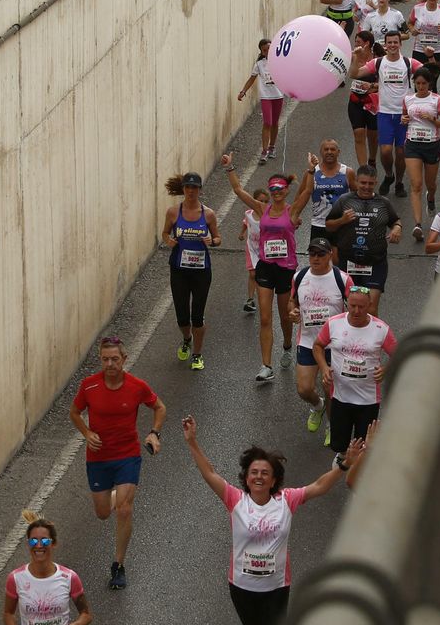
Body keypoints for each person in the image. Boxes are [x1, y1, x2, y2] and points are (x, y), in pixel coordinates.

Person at [180, 415, 344, 625]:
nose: (258, 476)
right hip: (241, 586)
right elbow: (209, 473)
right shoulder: (235, 500)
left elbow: (319, 486)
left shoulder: (286, 500)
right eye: (254, 472)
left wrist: (343, 465)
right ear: (246, 477)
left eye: (264, 473)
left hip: (276, 588)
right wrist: (193, 442)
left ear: (274, 479)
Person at [69, 337, 165, 590]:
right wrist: (87, 433)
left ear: (124, 359)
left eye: (114, 359)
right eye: (105, 359)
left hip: (127, 455)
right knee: (102, 513)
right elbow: (74, 412)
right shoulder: (89, 387)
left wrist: (154, 432)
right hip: (99, 458)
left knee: (124, 509)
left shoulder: (136, 386)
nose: (110, 364)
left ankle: (118, 565)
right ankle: (114, 496)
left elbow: (159, 407)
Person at [223, 155, 308, 381]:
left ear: (287, 190)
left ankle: (288, 347)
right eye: (273, 188)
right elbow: (239, 191)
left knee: (284, 316)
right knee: (264, 318)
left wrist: (311, 171)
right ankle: (266, 366)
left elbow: (307, 193)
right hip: (265, 267)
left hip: (286, 268)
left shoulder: (292, 211)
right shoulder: (262, 209)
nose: (276, 191)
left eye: (280, 188)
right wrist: (229, 166)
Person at [4, 514, 93, 625]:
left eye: (44, 541)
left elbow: (86, 614)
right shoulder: (16, 578)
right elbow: (8, 614)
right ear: (28, 544)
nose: (38, 546)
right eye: (33, 541)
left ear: (53, 544)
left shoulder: (68, 577)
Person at [313, 286, 397, 459]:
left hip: (368, 400)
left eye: (361, 307)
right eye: (352, 306)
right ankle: (338, 476)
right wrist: (323, 368)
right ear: (347, 303)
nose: (356, 311)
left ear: (370, 305)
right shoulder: (334, 323)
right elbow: (318, 345)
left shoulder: (381, 329)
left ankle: (355, 482)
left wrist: (386, 370)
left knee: (363, 450)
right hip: (340, 397)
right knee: (340, 448)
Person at [287, 237, 353, 432]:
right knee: (304, 389)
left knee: (331, 389)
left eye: (320, 254)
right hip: (308, 340)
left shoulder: (342, 279)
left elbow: (356, 305)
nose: (315, 258)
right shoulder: (299, 277)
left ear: (329, 255)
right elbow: (292, 302)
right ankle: (318, 406)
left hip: (334, 344)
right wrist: (293, 312)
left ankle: (331, 426)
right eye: (312, 254)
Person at [323, 165, 403, 313]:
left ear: (376, 183)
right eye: (363, 183)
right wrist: (342, 220)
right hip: (349, 262)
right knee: (349, 308)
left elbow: (396, 221)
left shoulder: (383, 203)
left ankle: (372, 336)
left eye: (370, 183)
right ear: (357, 181)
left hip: (375, 262)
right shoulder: (344, 200)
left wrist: (397, 229)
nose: (366, 187)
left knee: (370, 308)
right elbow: (328, 226)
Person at [351, 31, 422, 194]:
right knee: (385, 151)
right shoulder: (378, 63)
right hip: (384, 113)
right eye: (389, 43)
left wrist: (430, 59)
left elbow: (427, 75)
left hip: (403, 115)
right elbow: (354, 74)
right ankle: (389, 175)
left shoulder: (409, 63)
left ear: (400, 44)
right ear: (385, 45)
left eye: (395, 42)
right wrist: (356, 57)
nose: (392, 45)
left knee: (401, 151)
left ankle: (398, 182)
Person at [163, 172, 222, 369]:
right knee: (181, 315)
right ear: (183, 189)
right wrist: (168, 240)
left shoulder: (208, 214)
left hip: (201, 271)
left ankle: (197, 354)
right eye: (188, 187)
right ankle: (186, 338)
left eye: (194, 187)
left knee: (197, 315)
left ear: (199, 190)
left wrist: (212, 241)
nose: (191, 191)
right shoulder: (173, 212)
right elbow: (165, 232)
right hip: (179, 269)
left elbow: (218, 238)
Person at [399, 67, 440, 239]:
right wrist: (403, 120)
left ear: (429, 84)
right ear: (414, 83)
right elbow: (404, 119)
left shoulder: (437, 100)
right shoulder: (408, 99)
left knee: (430, 184)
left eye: (424, 84)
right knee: (416, 185)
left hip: (432, 145)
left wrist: (433, 119)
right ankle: (418, 225)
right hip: (413, 145)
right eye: (418, 83)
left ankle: (431, 198)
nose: (420, 87)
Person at [294, 140, 351, 246]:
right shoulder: (311, 172)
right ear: (321, 152)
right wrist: (294, 215)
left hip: (340, 224)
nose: (329, 152)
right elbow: (300, 195)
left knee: (339, 260)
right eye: (326, 149)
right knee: (317, 259)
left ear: (338, 152)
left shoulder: (347, 172)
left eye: (333, 149)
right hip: (318, 224)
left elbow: (357, 197)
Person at [237, 39, 284, 163]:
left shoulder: (281, 60)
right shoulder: (259, 64)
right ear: (262, 53)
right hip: (266, 97)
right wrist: (243, 91)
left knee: (275, 123)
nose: (267, 52)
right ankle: (264, 151)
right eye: (265, 50)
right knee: (267, 122)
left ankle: (272, 146)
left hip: (278, 95)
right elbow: (251, 79)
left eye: (269, 49)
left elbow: (289, 74)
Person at [345, 30, 379, 168]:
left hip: (372, 102)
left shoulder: (378, 59)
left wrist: (372, 85)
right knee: (358, 134)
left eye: (358, 42)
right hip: (355, 101)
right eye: (355, 42)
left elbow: (385, 83)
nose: (356, 44)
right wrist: (356, 58)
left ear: (367, 44)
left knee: (372, 135)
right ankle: (363, 168)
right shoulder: (354, 56)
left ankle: (372, 160)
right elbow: (352, 75)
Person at [241, 187, 267, 313]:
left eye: (266, 201)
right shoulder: (248, 213)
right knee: (252, 274)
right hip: (251, 248)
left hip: (264, 249)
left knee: (261, 275)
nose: (263, 204)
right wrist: (242, 233)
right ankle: (250, 299)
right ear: (254, 201)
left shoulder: (268, 215)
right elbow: (246, 223)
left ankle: (263, 299)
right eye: (260, 201)